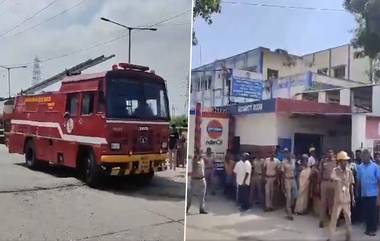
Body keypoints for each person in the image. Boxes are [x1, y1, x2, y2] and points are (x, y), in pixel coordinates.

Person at [328, 151, 355, 241]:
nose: (345, 162)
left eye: (346, 160)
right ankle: (330, 237)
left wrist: (353, 197)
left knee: (348, 219)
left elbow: (351, 185)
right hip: (338, 200)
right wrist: (338, 179)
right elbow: (332, 177)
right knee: (334, 219)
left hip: (347, 199)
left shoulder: (349, 171)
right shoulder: (335, 170)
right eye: (344, 160)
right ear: (339, 161)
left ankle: (348, 237)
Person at [357, 149, 380, 236]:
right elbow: (359, 180)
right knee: (366, 212)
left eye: (364, 157)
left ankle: (372, 229)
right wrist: (357, 192)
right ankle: (368, 228)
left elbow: (379, 181)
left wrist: (379, 196)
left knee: (373, 212)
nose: (363, 159)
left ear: (368, 157)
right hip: (364, 193)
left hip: (374, 194)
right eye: (362, 157)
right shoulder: (360, 167)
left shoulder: (375, 167)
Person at [319, 149, 337, 228]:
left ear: (333, 154)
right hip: (324, 182)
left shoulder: (336, 162)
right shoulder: (323, 161)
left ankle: (333, 220)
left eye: (331, 152)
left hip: (333, 183)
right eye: (328, 152)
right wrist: (318, 184)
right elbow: (320, 173)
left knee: (332, 203)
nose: (329, 154)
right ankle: (322, 221)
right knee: (323, 202)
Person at [186, 148, 208, 214]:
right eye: (198, 153)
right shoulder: (194, 160)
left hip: (202, 180)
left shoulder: (202, 160)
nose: (200, 154)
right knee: (190, 196)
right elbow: (195, 162)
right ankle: (187, 208)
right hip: (195, 180)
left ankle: (201, 209)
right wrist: (196, 156)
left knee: (202, 196)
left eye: (200, 153)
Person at [281, 148, 297, 220]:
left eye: (288, 152)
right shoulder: (284, 162)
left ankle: (290, 207)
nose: (287, 154)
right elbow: (283, 173)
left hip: (293, 179)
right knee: (289, 196)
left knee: (295, 194)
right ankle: (289, 213)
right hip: (287, 179)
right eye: (286, 153)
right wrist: (282, 183)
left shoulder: (293, 161)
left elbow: (295, 169)